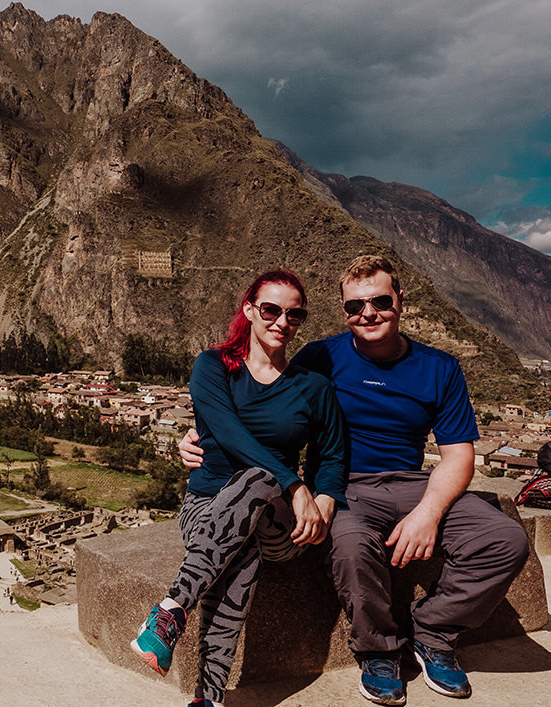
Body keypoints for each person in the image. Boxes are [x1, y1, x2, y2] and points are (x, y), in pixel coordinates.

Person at [179, 255, 530, 705]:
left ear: (401, 301)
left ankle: (434, 631)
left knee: (506, 540)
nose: (368, 313)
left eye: (380, 301)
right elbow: (262, 407)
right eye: (354, 306)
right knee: (350, 548)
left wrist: (428, 513)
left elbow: (459, 455)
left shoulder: (440, 367)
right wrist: (199, 438)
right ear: (344, 311)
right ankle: (378, 651)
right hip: (349, 485)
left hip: (414, 482)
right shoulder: (321, 357)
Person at [131, 269, 347, 707]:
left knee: (259, 478)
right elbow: (229, 434)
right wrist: (294, 482)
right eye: (271, 309)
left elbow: (333, 457)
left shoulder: (313, 387)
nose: (281, 321)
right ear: (250, 310)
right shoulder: (212, 366)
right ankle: (207, 699)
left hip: (283, 527)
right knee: (239, 551)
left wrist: (319, 501)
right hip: (206, 508)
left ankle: (172, 609)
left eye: (294, 314)